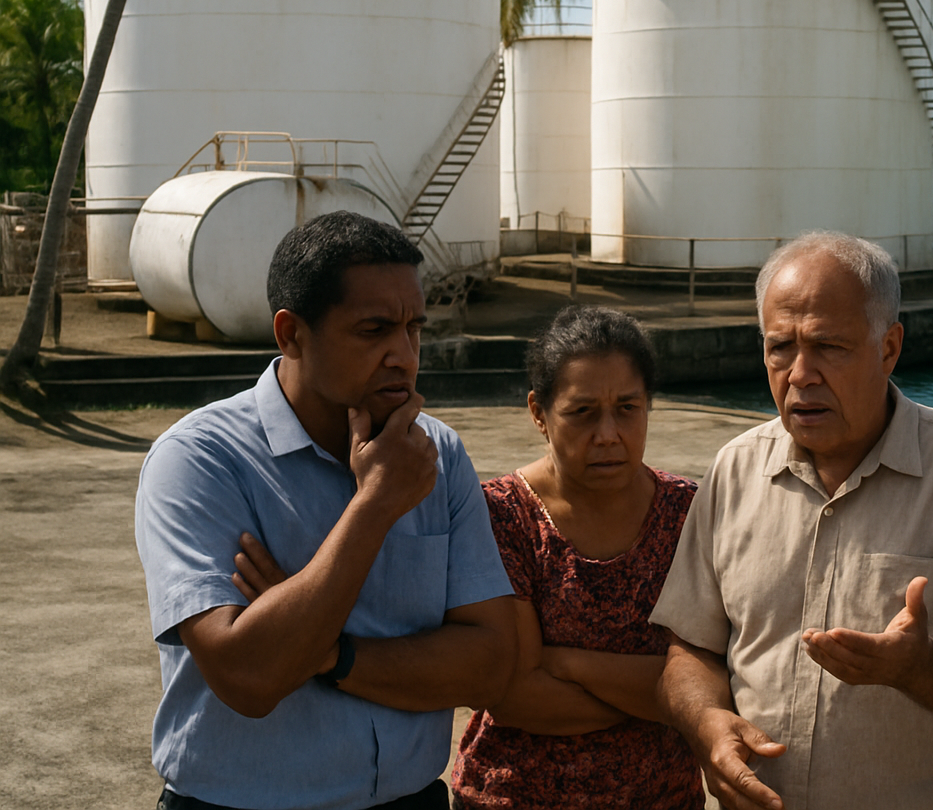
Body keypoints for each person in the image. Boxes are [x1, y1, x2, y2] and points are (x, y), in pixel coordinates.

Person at [134, 211, 518, 810]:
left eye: (414, 328)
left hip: (410, 800)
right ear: (291, 335)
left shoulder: (437, 452)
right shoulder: (199, 461)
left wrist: (325, 651)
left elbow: (492, 664)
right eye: (373, 330)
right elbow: (250, 678)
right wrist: (376, 506)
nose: (403, 355)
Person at [650, 230, 933, 810]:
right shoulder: (734, 469)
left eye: (829, 347)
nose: (800, 374)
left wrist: (918, 666)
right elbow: (691, 650)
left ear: (889, 348)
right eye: (779, 346)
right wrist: (708, 724)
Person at [452, 305, 703, 810]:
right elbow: (516, 696)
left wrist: (564, 662)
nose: (608, 433)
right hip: (512, 796)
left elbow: (708, 673)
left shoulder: (689, 512)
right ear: (538, 413)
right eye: (583, 412)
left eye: (628, 408)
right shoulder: (502, 514)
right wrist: (666, 699)